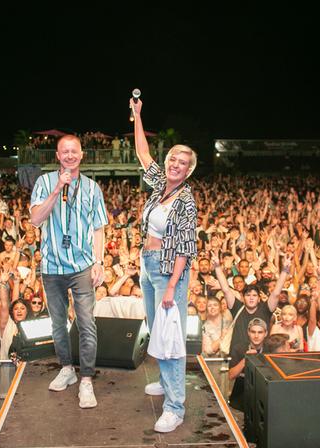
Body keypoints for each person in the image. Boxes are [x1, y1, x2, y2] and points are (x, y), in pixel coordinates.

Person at [133, 97, 198, 433]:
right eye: (173, 157)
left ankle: (175, 407)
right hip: (148, 266)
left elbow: (187, 246)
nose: (175, 163)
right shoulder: (161, 187)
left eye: (182, 161)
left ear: (189, 170)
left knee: (171, 340)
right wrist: (138, 116)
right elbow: (144, 154)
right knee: (156, 326)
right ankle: (162, 381)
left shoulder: (186, 199)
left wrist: (172, 285)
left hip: (168, 271)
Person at [30, 134, 108, 409]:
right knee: (58, 323)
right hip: (51, 267)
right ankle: (67, 369)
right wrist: (56, 189)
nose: (70, 155)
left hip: (82, 267)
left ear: (82, 154)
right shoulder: (44, 182)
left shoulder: (92, 188)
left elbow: (99, 227)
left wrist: (99, 261)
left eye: (74, 151)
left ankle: (86, 379)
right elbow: (36, 219)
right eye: (65, 151)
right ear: (58, 155)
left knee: (86, 323)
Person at [227, 318, 268, 411]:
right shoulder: (238, 348)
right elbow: (231, 375)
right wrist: (246, 359)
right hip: (240, 396)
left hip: (263, 397)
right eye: (253, 332)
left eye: (260, 332)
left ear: (265, 333)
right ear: (248, 332)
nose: (256, 336)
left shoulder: (269, 349)